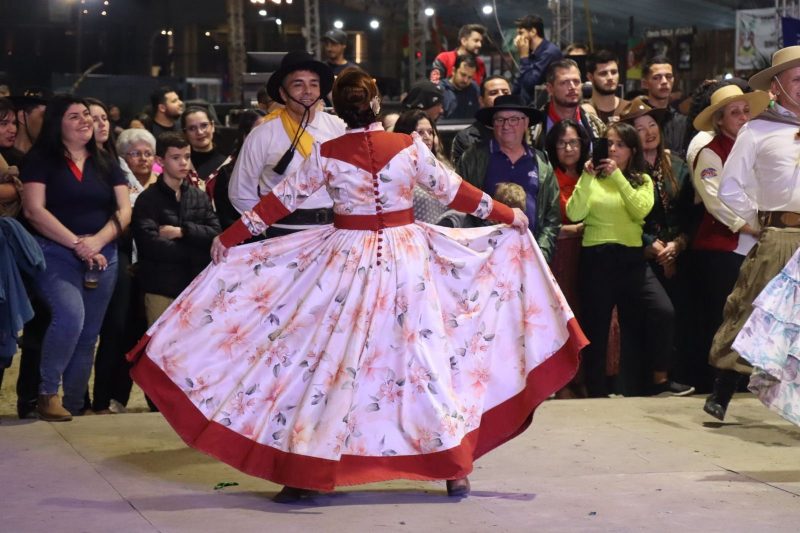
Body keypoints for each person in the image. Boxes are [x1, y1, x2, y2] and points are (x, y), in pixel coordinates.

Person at [128, 68, 585, 502]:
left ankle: (305, 472)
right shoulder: (407, 146)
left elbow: (276, 204)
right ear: (377, 103)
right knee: (419, 360)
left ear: (338, 110)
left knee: (331, 363)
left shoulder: (326, 154)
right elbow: (455, 192)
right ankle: (452, 467)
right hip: (407, 261)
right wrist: (509, 215)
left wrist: (230, 237)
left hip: (345, 259)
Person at [703, 46, 800, 421]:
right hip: (780, 237)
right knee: (752, 309)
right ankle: (722, 389)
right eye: (797, 79)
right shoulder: (758, 130)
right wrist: (761, 223)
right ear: (776, 87)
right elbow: (730, 187)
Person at [20, 94, 131, 420]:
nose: (86, 121)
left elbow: (124, 211)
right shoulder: (41, 160)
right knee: (70, 317)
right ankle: (47, 394)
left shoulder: (107, 162)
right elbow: (33, 210)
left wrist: (96, 242)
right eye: (75, 116)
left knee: (88, 335)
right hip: (55, 253)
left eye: (87, 114)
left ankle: (73, 406)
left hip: (104, 256)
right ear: (58, 123)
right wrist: (77, 244)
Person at [566, 122, 689, 397]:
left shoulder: (641, 180)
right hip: (597, 257)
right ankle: (596, 390)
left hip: (631, 258)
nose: (613, 150)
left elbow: (639, 211)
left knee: (662, 310)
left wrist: (618, 177)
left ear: (632, 150)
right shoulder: (592, 178)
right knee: (595, 327)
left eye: (620, 145)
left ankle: (659, 379)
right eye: (609, 143)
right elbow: (574, 213)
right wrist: (587, 177)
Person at [688, 85, 769, 402]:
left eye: (746, 111)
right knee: (725, 317)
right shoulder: (711, 151)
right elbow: (715, 200)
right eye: (735, 112)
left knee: (753, 316)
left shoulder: (756, 148)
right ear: (720, 121)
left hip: (756, 245)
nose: (743, 117)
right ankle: (717, 386)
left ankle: (744, 384)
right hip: (722, 248)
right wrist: (747, 226)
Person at [619, 97, 695, 395]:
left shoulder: (677, 164)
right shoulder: (625, 172)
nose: (649, 131)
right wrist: (651, 246)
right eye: (639, 128)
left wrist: (679, 243)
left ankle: (678, 374)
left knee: (683, 313)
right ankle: (646, 380)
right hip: (640, 254)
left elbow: (692, 214)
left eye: (653, 125)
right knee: (651, 314)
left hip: (680, 251)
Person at [228, 51, 346, 239]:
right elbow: (240, 192)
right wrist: (266, 226)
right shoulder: (262, 135)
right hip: (281, 234)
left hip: (333, 233)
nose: (307, 91)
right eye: (298, 84)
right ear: (283, 93)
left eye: (313, 84)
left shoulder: (339, 128)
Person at [457, 94, 561, 263]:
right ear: (492, 124)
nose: (506, 126)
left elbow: (552, 218)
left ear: (526, 123)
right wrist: (479, 250)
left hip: (530, 258)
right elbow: (461, 204)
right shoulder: (473, 158)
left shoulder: (541, 162)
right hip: (485, 259)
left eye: (514, 119)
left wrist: (540, 254)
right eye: (500, 120)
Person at [132, 132, 220, 326]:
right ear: (160, 161)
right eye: (176, 158)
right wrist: (199, 249)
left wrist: (182, 232)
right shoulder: (147, 200)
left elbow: (215, 233)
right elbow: (151, 246)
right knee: (160, 350)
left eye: (187, 157)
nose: (183, 163)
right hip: (161, 288)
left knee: (195, 348)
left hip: (196, 287)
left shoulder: (198, 196)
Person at [392, 109, 449, 223]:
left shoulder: (445, 170)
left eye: (430, 132)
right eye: (420, 133)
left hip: (446, 235)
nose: (428, 137)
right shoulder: (395, 173)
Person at [450, 75, 511, 166]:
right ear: (481, 101)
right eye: (493, 93)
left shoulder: (521, 132)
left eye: (505, 93)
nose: (501, 96)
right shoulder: (465, 138)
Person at [640, 57, 687, 158]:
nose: (664, 81)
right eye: (657, 78)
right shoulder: (638, 119)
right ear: (645, 83)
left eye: (669, 76)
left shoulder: (682, 121)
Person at [512, 15, 562, 104]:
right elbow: (520, 81)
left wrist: (524, 56)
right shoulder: (531, 52)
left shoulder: (549, 52)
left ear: (533, 31)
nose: (518, 38)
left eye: (521, 33)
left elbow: (530, 84)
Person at [181, 106, 226, 182]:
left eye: (204, 125)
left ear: (212, 126)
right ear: (185, 133)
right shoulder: (180, 163)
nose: (200, 132)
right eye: (192, 128)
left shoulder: (227, 164)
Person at [585, 50, 629, 125]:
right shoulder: (582, 112)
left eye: (614, 72)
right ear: (590, 77)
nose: (610, 77)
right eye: (603, 73)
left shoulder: (629, 109)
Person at [441, 55, 481, 119]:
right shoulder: (440, 90)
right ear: (453, 71)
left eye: (470, 77)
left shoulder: (475, 89)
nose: (466, 80)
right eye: (463, 75)